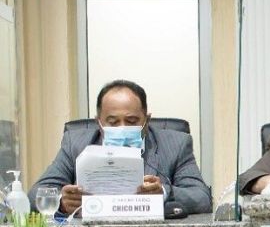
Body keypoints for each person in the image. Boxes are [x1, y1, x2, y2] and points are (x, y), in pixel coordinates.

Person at [29, 79, 212, 216]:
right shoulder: (75, 144)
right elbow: (35, 195)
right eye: (113, 122)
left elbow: (202, 198)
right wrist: (62, 201)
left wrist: (163, 192)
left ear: (147, 120)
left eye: (131, 121)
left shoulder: (176, 144)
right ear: (99, 122)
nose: (122, 127)